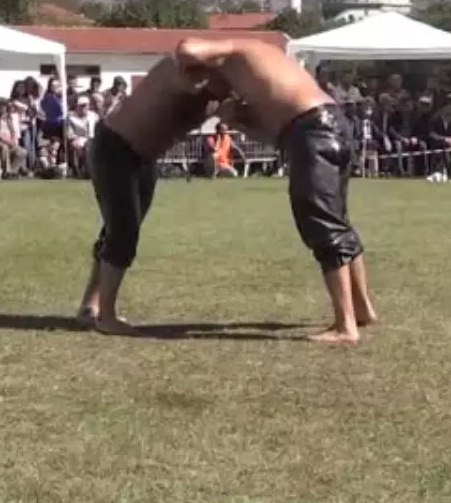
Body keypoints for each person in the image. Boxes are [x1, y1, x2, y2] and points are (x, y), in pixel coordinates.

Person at [175, 37, 377, 344]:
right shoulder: (263, 75)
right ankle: (361, 310)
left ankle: (345, 326)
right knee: (338, 222)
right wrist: (238, 122)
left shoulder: (235, 50)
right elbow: (278, 137)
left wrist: (188, 77)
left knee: (323, 225)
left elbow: (186, 48)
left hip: (314, 130)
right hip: (326, 126)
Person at [74, 56, 223, 335]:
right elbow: (183, 57)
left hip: (144, 157)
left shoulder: (219, 97)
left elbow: (252, 121)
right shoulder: (178, 70)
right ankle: (106, 316)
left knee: (117, 229)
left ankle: (90, 306)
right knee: (123, 231)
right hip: (115, 147)